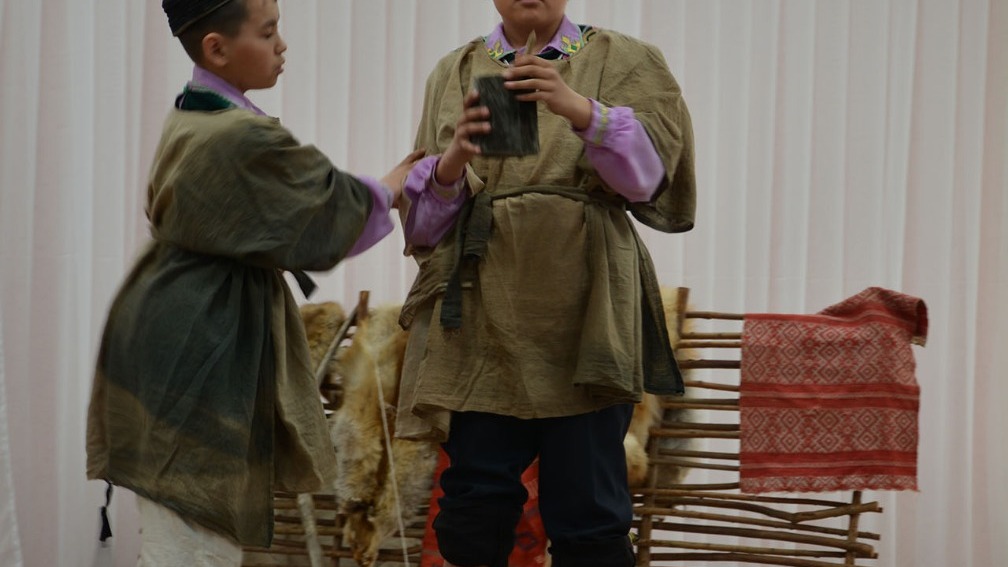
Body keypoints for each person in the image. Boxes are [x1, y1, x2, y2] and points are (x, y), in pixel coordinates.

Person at [85, 0, 422, 564]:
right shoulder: (236, 136)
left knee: (188, 534)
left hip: (178, 320)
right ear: (217, 48)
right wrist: (392, 185)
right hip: (198, 339)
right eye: (267, 34)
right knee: (192, 540)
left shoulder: (196, 112)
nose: (281, 46)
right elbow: (321, 209)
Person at [394, 1, 696, 566]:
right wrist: (454, 160)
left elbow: (652, 181)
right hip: (482, 307)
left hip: (588, 304)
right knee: (474, 502)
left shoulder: (625, 60)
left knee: (589, 508)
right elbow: (425, 229)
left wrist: (580, 110)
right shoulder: (457, 70)